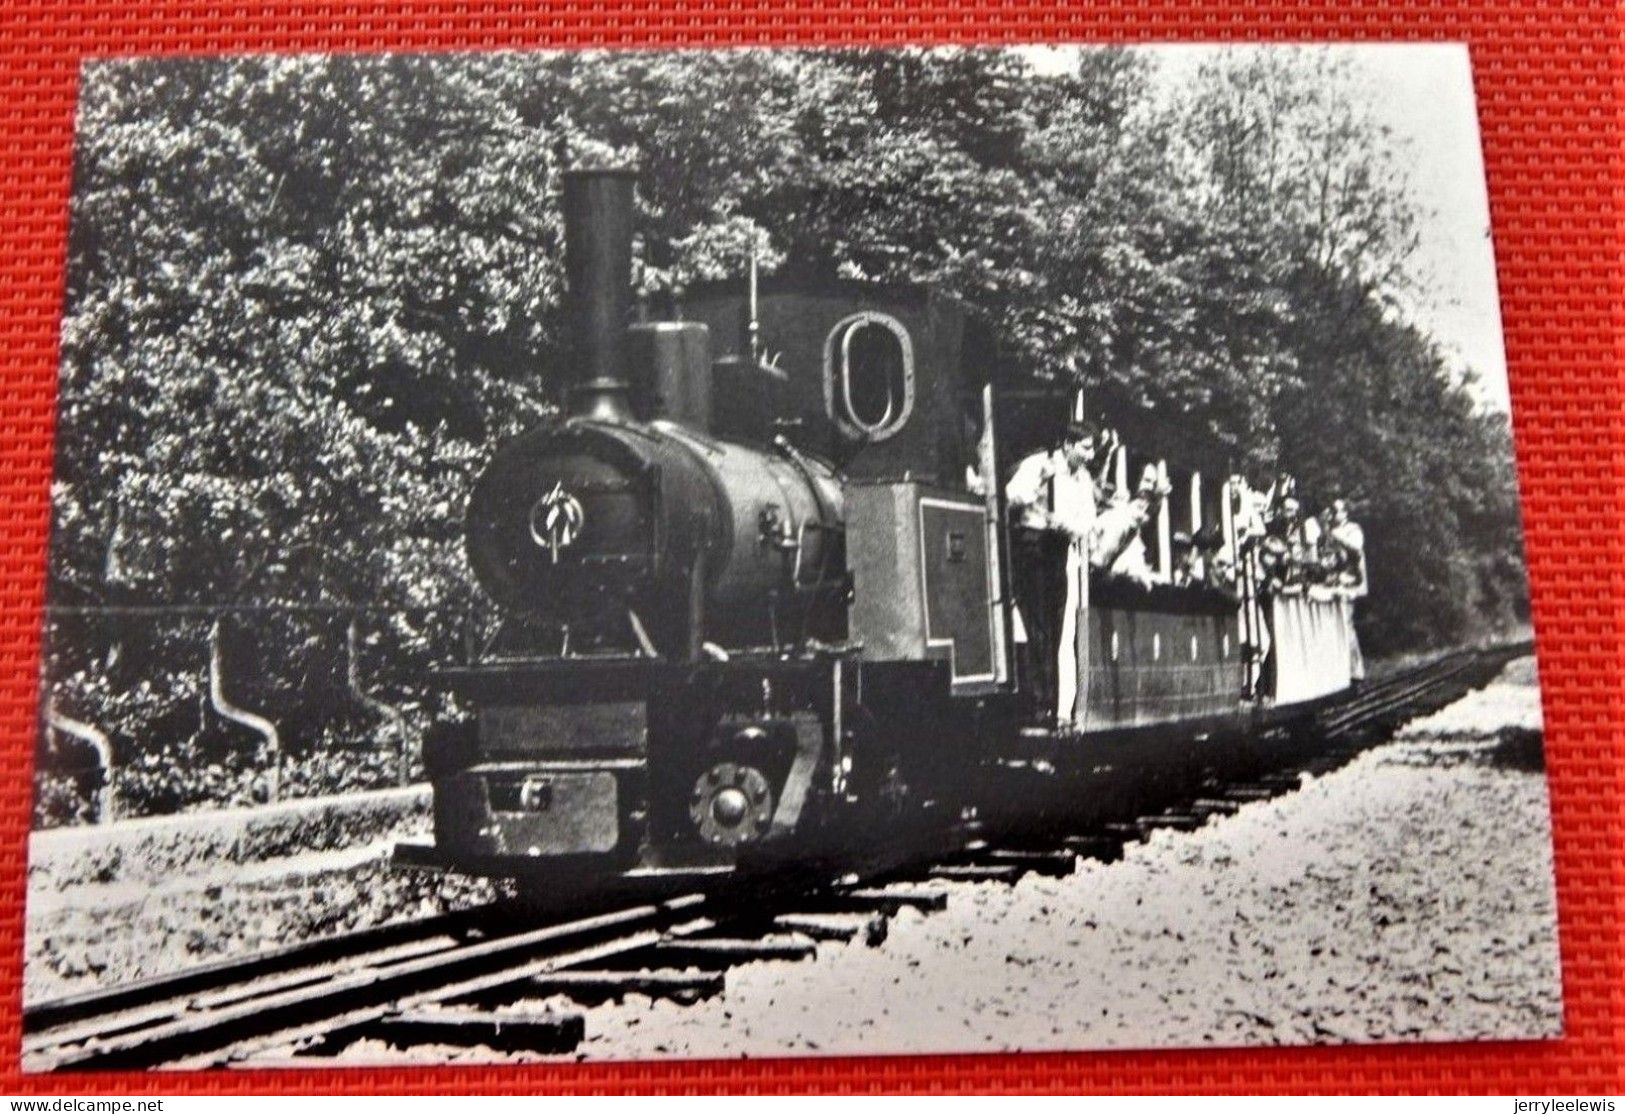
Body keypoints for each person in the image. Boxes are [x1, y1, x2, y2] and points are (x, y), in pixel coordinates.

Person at [1006, 420, 1101, 727]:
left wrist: (1068, 526)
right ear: (1068, 445)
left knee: (1057, 628)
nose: (1090, 455)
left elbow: (1087, 519)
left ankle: (1050, 703)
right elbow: (1013, 496)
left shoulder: (1083, 478)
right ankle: (1038, 703)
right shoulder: (1038, 464)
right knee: (1039, 626)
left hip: (1058, 548)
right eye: (1085, 448)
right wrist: (1039, 481)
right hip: (1032, 546)